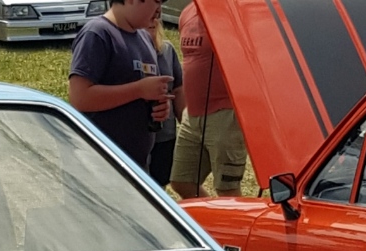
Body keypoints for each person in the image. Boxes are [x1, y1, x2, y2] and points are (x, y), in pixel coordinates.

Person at [68, 0, 174, 169]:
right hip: (98, 167)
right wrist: (139, 90)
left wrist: (160, 108)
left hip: (136, 168)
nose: (159, 11)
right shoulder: (97, 33)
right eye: (156, 2)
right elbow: (80, 98)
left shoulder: (145, 38)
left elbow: (144, 91)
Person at [170, 0, 247, 197]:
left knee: (227, 189)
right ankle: (209, 225)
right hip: (192, 115)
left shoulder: (230, 10)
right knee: (181, 182)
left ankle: (230, 225)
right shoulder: (187, 13)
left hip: (225, 114)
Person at [146, 7, 183, 186]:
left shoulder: (167, 50)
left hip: (165, 134)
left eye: (155, 19)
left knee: (160, 186)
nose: (151, 22)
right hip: (138, 134)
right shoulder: (127, 50)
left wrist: (187, 127)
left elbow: (178, 90)